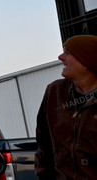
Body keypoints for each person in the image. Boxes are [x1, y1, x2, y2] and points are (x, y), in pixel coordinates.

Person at [35, 34, 97, 179]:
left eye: (68, 53)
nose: (60, 57)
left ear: (86, 61)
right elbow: (43, 144)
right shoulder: (54, 92)